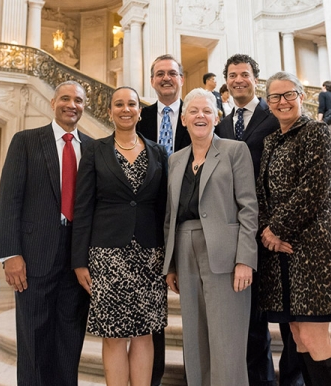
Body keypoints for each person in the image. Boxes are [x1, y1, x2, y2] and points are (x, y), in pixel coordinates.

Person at [257, 71, 331, 386]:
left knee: (314, 337)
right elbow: (263, 193)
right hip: (283, 252)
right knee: (298, 336)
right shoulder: (272, 140)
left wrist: (276, 229)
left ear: (302, 97)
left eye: (289, 94)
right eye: (275, 96)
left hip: (314, 247)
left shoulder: (316, 130)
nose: (283, 101)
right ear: (269, 103)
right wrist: (267, 231)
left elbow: (313, 189)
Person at [0, 80, 92, 386]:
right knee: (33, 337)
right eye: (65, 98)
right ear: (53, 103)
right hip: (33, 256)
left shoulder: (93, 148)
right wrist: (11, 254)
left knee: (69, 337)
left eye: (78, 100)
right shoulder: (26, 141)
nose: (71, 105)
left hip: (77, 257)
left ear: (84, 106)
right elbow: (9, 199)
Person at [215, 53, 303, 386]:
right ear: (226, 80)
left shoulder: (275, 116)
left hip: (275, 231)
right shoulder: (221, 125)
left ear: (256, 79)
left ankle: (293, 381)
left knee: (290, 320)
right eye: (232, 74)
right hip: (240, 233)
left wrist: (278, 224)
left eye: (245, 74)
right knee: (251, 324)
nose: (238, 79)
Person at [72, 86, 168, 386]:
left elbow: (163, 206)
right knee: (113, 335)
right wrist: (79, 260)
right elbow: (83, 206)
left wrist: (170, 258)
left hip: (150, 255)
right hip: (107, 255)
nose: (126, 109)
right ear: (109, 111)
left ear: (140, 111)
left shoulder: (158, 151)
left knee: (144, 333)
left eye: (132, 104)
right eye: (119, 104)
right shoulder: (94, 150)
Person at [164, 88, 258, 386]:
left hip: (226, 254)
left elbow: (248, 208)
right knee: (195, 338)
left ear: (217, 118)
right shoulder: (175, 160)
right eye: (193, 111)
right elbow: (170, 214)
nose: (200, 116)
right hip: (184, 247)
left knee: (226, 341)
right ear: (183, 120)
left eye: (206, 111)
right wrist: (171, 265)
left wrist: (245, 259)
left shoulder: (234, 150)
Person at [137, 54, 191, 386]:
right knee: (151, 310)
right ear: (152, 80)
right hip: (150, 225)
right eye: (160, 74)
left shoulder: (199, 112)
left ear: (182, 78)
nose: (166, 78)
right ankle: (152, 377)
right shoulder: (138, 117)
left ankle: (202, 374)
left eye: (172, 73)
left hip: (191, 222)